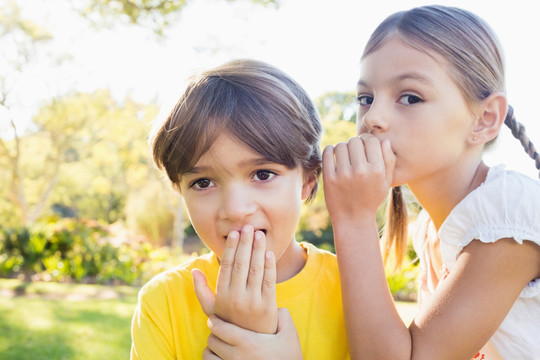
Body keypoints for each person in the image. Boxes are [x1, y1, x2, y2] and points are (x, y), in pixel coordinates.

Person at [322, 5, 540, 359]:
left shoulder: (507, 215)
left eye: (410, 97)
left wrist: (353, 219)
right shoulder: (431, 230)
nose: (373, 118)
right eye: (366, 98)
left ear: (485, 119)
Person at [130, 58, 349, 359]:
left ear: (308, 182)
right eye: (203, 182)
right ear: (179, 191)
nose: (234, 209)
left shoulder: (352, 293)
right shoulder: (162, 302)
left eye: (262, 174)